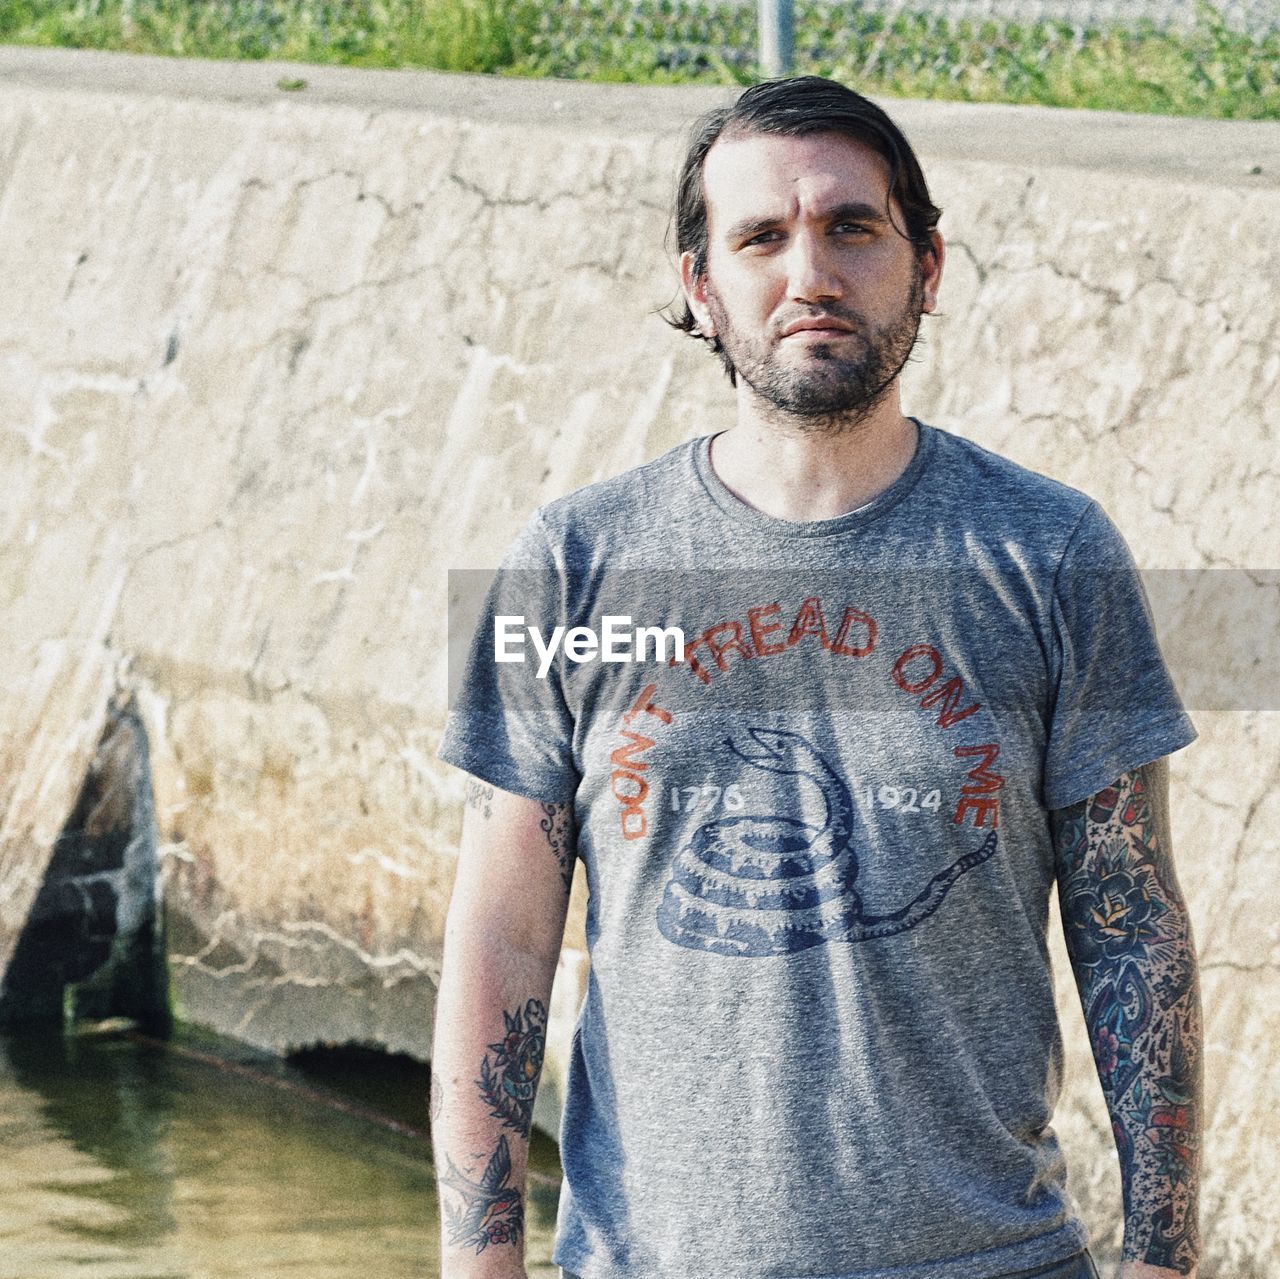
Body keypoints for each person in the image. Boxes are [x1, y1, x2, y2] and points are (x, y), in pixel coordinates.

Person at [432, 75, 1203, 1279]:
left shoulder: (1050, 555)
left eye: (852, 226)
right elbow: (501, 937)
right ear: (701, 285)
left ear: (926, 264)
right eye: (760, 237)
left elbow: (1128, 924)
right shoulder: (573, 565)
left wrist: (1162, 1256)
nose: (810, 274)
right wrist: (478, 1262)